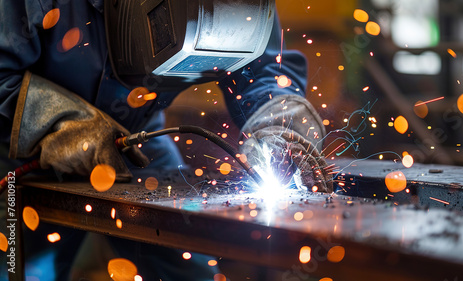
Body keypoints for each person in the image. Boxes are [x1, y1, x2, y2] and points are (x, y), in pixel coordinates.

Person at [0, 0, 331, 279]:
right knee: (22, 265)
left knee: (186, 259)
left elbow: (262, 71)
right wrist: (58, 121)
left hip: (137, 138)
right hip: (15, 143)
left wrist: (279, 126)